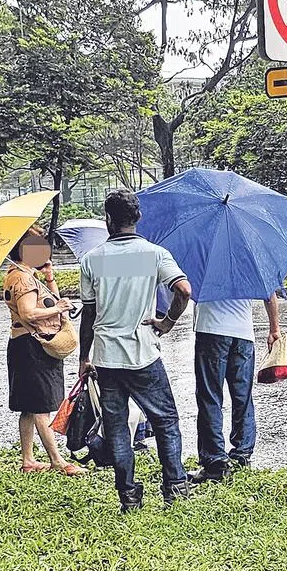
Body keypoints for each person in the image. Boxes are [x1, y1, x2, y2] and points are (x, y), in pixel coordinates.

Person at [78, 190, 193, 511]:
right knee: (166, 422)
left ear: (108, 220)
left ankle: (129, 497)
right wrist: (167, 322)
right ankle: (175, 490)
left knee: (117, 430)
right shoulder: (154, 254)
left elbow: (89, 314)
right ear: (137, 218)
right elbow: (183, 289)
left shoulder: (92, 260)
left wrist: (84, 358)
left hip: (106, 359)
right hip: (144, 355)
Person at [3, 226, 86, 477]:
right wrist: (58, 307)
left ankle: (28, 460)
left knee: (29, 406)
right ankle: (58, 461)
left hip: (25, 344)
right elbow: (29, 313)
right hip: (32, 346)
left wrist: (49, 278)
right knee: (41, 406)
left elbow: (51, 302)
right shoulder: (23, 278)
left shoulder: (24, 274)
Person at [191, 294, 281, 483]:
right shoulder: (250, 263)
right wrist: (274, 328)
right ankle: (242, 455)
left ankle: (216, 462)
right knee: (243, 398)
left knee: (210, 398)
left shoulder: (205, 263)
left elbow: (184, 288)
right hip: (243, 334)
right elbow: (269, 292)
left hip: (211, 329)